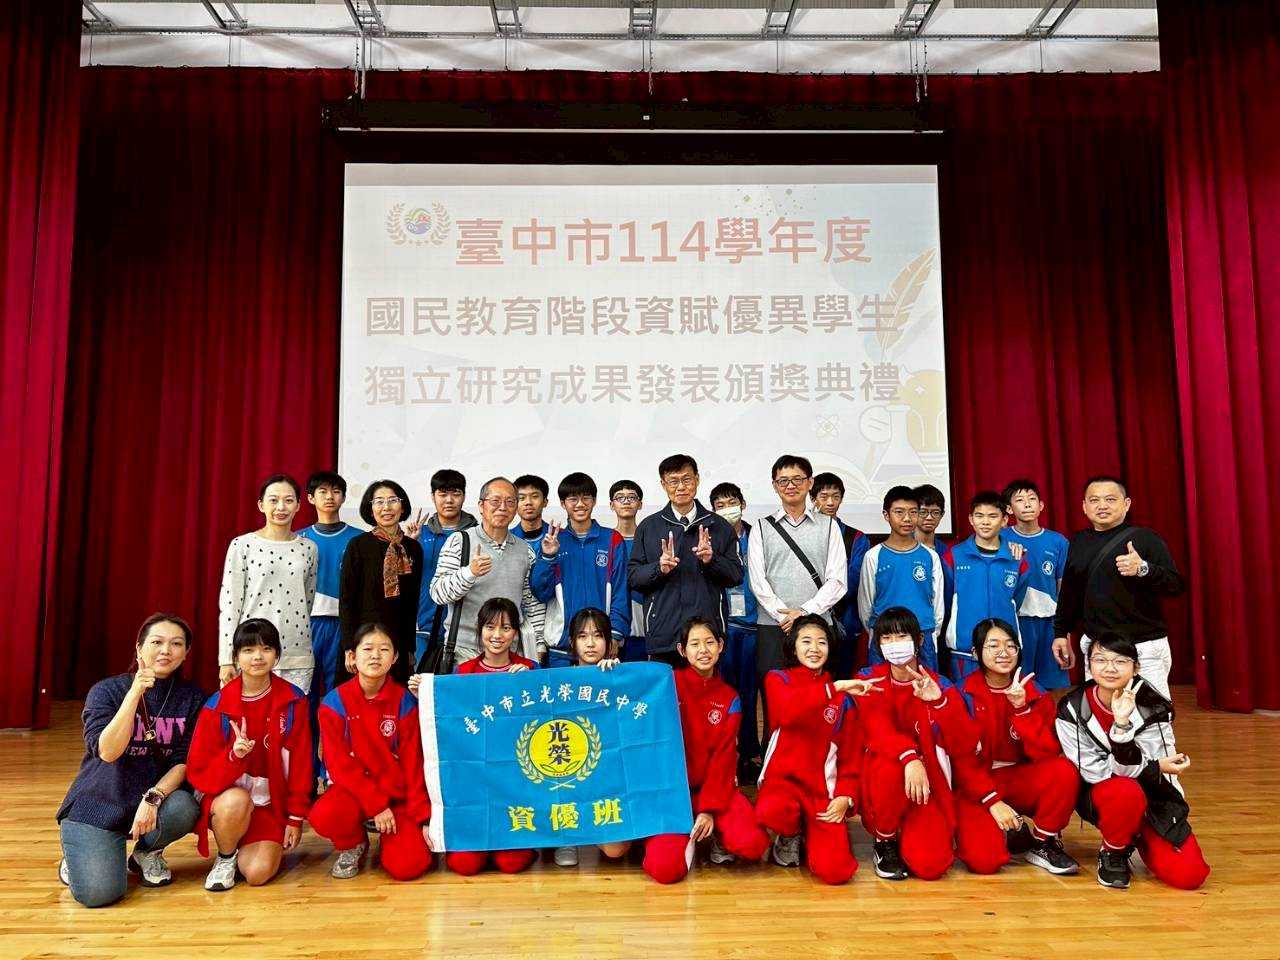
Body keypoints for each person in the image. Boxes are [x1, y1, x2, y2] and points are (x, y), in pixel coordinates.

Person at [56, 614, 205, 907]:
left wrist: (153, 798)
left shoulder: (193, 698)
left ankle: (146, 853)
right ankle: (78, 856)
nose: (166, 651)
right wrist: (135, 693)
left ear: (186, 652)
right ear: (139, 648)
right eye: (157, 642)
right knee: (100, 894)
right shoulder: (106, 691)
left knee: (185, 806)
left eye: (176, 644)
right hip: (100, 801)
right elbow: (108, 751)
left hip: (152, 801)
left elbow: (182, 761)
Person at [857, 607, 1011, 880]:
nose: (894, 644)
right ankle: (885, 840)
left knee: (933, 865)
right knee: (887, 764)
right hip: (887, 779)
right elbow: (877, 730)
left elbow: (964, 745)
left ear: (919, 640)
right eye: (887, 638)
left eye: (902, 636)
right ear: (878, 644)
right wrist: (909, 757)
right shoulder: (868, 680)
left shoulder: (942, 685)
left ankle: (928, 831)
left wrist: (939, 702)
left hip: (930, 786)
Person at [1056, 633, 1209, 890]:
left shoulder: (1154, 706)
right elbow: (1094, 772)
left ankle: (1135, 833)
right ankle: (1113, 850)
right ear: (1089, 665)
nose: (1110, 668)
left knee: (1190, 875)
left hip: (1151, 797)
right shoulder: (1072, 707)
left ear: (1136, 667)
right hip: (1102, 795)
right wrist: (1148, 763)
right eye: (1101, 660)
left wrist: (1123, 726)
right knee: (1124, 789)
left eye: (1120, 661)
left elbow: (1161, 764)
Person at [641, 617, 771, 884]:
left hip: (714, 789)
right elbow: (631, 694)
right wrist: (608, 670)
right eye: (695, 644)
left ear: (721, 646)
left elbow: (725, 759)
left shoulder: (729, 697)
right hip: (672, 794)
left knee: (753, 844)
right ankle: (673, 836)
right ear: (682, 650)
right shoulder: (666, 684)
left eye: (709, 642)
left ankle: (716, 835)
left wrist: (708, 809)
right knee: (665, 869)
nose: (703, 650)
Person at [187, 619, 313, 891]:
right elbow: (199, 772)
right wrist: (233, 757)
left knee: (257, 874)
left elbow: (302, 764)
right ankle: (225, 856)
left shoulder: (294, 701)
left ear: (277, 655)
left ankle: (244, 846)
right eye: (248, 650)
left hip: (269, 805)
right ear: (236, 657)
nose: (258, 657)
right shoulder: (217, 706)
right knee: (236, 801)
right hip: (229, 802)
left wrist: (295, 818)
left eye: (266, 649)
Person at [756, 615, 878, 885]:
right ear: (793, 647)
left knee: (836, 872)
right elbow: (787, 712)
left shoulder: (844, 699)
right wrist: (832, 688)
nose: (814, 648)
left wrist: (845, 795)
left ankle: (812, 831)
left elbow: (850, 754)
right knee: (771, 809)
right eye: (806, 641)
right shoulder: (778, 679)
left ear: (830, 648)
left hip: (822, 791)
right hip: (783, 783)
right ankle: (790, 833)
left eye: (821, 642)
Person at [310, 623, 434, 881]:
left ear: (395, 657)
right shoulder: (334, 703)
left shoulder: (405, 702)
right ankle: (354, 842)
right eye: (367, 649)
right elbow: (339, 766)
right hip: (355, 793)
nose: (375, 656)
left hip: (397, 798)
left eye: (384, 649)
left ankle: (392, 839)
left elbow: (414, 764)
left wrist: (424, 819)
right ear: (352, 656)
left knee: (409, 866)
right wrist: (376, 805)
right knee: (324, 815)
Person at [960, 618, 1080, 875]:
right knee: (985, 861)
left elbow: (1046, 753)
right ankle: (1008, 829)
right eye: (993, 645)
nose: (1003, 652)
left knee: (1063, 771)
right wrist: (992, 800)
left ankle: (1043, 842)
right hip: (976, 785)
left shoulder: (1035, 692)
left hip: (1017, 778)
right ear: (976, 653)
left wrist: (1022, 710)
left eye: (1010, 645)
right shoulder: (962, 693)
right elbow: (959, 760)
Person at [1052, 476, 1186, 700]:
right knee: (1101, 713)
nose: (1102, 505)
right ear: (1084, 506)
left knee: (1152, 714)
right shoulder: (1078, 541)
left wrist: (1143, 569)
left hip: (1143, 647)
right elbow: (1070, 593)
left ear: (1126, 504)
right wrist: (1060, 633)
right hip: (1098, 648)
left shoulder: (1146, 538)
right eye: (1094, 500)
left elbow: (1175, 586)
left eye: (1110, 499)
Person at [628, 454, 743, 666]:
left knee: (706, 688)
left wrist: (712, 560)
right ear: (663, 484)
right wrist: (659, 568)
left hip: (706, 638)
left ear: (697, 480)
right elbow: (633, 577)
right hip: (664, 635)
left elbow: (736, 575)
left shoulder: (719, 525)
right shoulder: (649, 527)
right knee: (667, 688)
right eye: (673, 481)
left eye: (687, 479)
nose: (681, 487)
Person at [748, 456, 847, 698]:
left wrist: (803, 613)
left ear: (810, 483)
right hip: (773, 628)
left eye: (797, 479)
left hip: (818, 626)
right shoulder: (761, 527)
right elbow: (758, 581)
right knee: (776, 699)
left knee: (820, 698)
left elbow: (837, 580)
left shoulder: (829, 526)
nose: (790, 486)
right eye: (783, 481)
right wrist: (785, 617)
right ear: (775, 486)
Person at [429, 477, 546, 670]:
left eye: (510, 502)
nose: (503, 507)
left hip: (509, 654)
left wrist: (539, 645)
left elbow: (531, 603)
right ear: (481, 506)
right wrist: (469, 573)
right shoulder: (460, 541)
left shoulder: (525, 550)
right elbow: (438, 593)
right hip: (465, 652)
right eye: (495, 501)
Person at [218, 474, 318, 690]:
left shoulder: (309, 548)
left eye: (288, 500)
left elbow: (307, 600)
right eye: (273, 500)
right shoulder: (242, 545)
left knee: (292, 712)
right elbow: (230, 604)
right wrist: (226, 658)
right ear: (261, 505)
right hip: (251, 650)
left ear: (298, 506)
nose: (281, 507)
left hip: (296, 653)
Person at [552, 608, 630, 868]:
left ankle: (598, 828)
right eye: (583, 636)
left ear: (608, 641)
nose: (590, 643)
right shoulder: (557, 680)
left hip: (606, 778)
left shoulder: (618, 674)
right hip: (567, 773)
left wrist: (615, 679)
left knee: (615, 850)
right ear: (572, 642)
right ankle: (566, 836)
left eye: (598, 636)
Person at [533, 472, 630, 667]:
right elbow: (540, 592)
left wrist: (614, 634)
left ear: (594, 501)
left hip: (602, 647)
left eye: (586, 498)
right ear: (563, 503)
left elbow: (621, 591)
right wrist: (548, 557)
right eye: (572, 499)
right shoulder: (552, 541)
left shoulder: (612, 540)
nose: (580, 504)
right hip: (561, 649)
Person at [338, 480, 424, 685]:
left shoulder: (413, 548)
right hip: (364, 639)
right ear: (371, 509)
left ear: (402, 506)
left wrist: (410, 648)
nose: (386, 507)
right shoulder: (358, 545)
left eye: (392, 500)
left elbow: (412, 602)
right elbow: (347, 599)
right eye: (379, 502)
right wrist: (349, 647)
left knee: (397, 695)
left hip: (398, 640)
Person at [941, 491, 1030, 682]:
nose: (985, 522)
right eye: (979, 516)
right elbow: (946, 601)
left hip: (1004, 652)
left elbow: (1016, 599)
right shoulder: (953, 556)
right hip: (965, 650)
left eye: (992, 516)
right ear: (971, 519)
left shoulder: (1017, 559)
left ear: (1004, 520)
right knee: (965, 698)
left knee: (1005, 698)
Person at [858, 487, 945, 671]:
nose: (907, 518)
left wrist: (931, 632)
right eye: (899, 512)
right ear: (886, 515)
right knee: (881, 685)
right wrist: (879, 631)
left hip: (923, 634)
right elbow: (866, 605)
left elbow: (937, 604)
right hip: (885, 636)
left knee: (926, 683)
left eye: (913, 512)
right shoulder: (873, 556)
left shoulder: (930, 556)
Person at [709, 481, 762, 782]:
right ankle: (728, 752)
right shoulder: (708, 538)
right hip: (725, 627)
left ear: (742, 504)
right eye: (720, 505)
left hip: (756, 625)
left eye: (732, 503)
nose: (727, 509)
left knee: (750, 692)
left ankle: (751, 754)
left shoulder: (759, 536)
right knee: (725, 692)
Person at [1001, 478, 1072, 690]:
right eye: (1019, 500)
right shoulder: (1000, 538)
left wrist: (1065, 633)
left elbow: (1063, 590)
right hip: (1015, 621)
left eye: (1032, 499)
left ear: (1041, 505)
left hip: (1050, 622)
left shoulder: (1058, 541)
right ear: (1009, 509)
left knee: (1053, 686)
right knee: (1017, 684)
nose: (1027, 504)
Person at [407, 468, 477, 670]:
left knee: (459, 684)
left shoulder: (477, 534)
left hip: (465, 630)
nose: (449, 500)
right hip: (424, 626)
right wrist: (409, 546)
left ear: (464, 496)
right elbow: (403, 580)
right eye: (443, 494)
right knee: (421, 684)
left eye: (455, 494)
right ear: (433, 496)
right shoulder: (419, 534)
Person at [811, 472, 870, 678]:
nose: (830, 502)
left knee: (844, 679)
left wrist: (823, 598)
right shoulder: (802, 535)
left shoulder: (856, 537)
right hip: (810, 619)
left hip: (845, 620)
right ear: (813, 499)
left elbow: (853, 581)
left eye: (835, 497)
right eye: (824, 496)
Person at [608, 479, 647, 663]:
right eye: (620, 497)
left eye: (631, 497)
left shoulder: (649, 539)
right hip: (612, 622)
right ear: (611, 505)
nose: (626, 502)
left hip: (643, 623)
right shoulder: (606, 540)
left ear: (640, 504)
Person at [454, 598, 538, 675]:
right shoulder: (463, 672)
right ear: (480, 629)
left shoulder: (531, 668)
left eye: (506, 628)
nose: (497, 635)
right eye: (490, 627)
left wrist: (529, 679)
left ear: (515, 632)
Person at [511, 474, 551, 553]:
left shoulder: (561, 537)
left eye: (535, 496)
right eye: (521, 498)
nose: (528, 502)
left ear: (545, 502)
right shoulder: (505, 539)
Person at [913, 484, 950, 554]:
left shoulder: (947, 552)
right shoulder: (899, 548)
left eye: (935, 512)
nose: (929, 517)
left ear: (942, 515)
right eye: (923, 512)